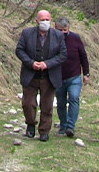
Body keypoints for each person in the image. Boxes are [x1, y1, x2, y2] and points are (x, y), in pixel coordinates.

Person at [15, 10, 67, 142]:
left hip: (49, 76)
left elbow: (62, 55)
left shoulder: (58, 35)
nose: (45, 22)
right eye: (42, 19)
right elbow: (19, 50)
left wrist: (47, 64)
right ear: (36, 21)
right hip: (30, 74)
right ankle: (30, 124)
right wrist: (31, 63)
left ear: (51, 20)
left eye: (47, 19)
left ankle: (44, 131)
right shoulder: (27, 33)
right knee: (28, 103)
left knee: (47, 105)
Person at [55, 16, 90, 138]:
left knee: (74, 98)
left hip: (74, 76)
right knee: (60, 102)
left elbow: (83, 56)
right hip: (58, 77)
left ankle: (70, 126)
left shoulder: (75, 38)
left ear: (68, 28)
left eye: (64, 30)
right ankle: (63, 125)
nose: (62, 33)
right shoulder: (52, 39)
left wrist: (86, 73)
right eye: (59, 30)